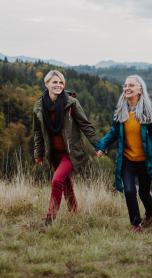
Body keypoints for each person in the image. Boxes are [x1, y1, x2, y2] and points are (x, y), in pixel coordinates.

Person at [95, 75, 152, 232]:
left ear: (140, 89)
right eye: (125, 85)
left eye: (131, 85)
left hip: (145, 160)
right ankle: (136, 224)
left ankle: (150, 215)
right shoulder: (121, 110)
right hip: (127, 159)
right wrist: (102, 145)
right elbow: (113, 132)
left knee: (144, 193)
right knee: (129, 190)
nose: (127, 88)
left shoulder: (150, 110)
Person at [33, 70, 101, 232]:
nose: (58, 85)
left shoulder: (71, 103)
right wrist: (39, 153)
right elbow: (38, 132)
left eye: (61, 83)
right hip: (53, 153)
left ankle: (50, 219)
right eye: (55, 82)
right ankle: (75, 214)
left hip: (70, 153)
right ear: (47, 84)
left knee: (56, 181)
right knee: (66, 184)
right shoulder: (38, 106)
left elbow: (85, 125)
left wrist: (97, 144)